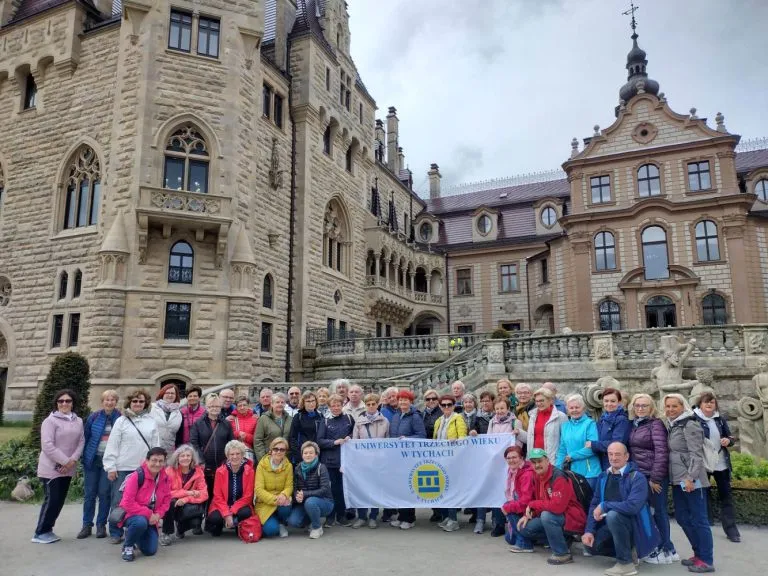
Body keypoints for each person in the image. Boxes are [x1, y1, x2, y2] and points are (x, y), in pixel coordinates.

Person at [581, 442, 660, 576]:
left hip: (634, 526)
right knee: (591, 547)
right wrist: (589, 531)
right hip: (611, 525)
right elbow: (595, 504)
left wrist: (605, 505)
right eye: (610, 454)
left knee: (613, 515)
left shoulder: (637, 478)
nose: (613, 458)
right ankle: (629, 552)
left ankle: (626, 563)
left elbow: (632, 507)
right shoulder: (603, 476)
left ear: (626, 456)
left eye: (617, 454)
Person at [665, 393, 715, 573]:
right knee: (683, 518)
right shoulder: (673, 424)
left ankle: (707, 560)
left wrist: (690, 478)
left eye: (674, 406)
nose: (670, 409)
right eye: (668, 406)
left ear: (682, 406)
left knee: (699, 520)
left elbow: (696, 454)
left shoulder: (690, 424)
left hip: (691, 480)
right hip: (678, 480)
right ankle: (698, 554)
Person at [103, 388, 160, 544]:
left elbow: (156, 445)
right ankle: (116, 531)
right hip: (123, 467)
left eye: (141, 401)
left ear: (145, 404)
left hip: (144, 469)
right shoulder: (121, 421)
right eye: (135, 401)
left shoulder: (151, 421)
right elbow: (113, 444)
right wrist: (111, 466)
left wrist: (157, 465)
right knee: (119, 500)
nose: (138, 404)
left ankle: (135, 530)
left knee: (142, 501)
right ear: (130, 403)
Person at [628, 393, 678, 564]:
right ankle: (659, 547)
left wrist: (655, 479)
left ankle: (666, 548)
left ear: (651, 408)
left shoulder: (655, 424)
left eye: (644, 406)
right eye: (637, 405)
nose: (640, 408)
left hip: (653, 476)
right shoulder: (635, 424)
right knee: (647, 512)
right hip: (641, 475)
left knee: (659, 512)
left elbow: (662, 452)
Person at [515, 448, 587, 565]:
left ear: (547, 461)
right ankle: (564, 539)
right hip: (558, 517)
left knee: (547, 516)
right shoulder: (536, 476)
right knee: (525, 527)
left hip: (573, 517)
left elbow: (557, 507)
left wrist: (533, 505)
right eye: (534, 462)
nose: (537, 465)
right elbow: (539, 501)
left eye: (540, 461)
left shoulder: (558, 477)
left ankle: (562, 554)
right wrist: (528, 515)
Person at [32, 389, 85, 544]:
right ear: (56, 403)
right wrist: (64, 462)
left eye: (68, 401)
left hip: (68, 468)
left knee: (59, 501)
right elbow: (47, 445)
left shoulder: (78, 421)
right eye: (61, 401)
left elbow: (81, 442)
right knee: (52, 500)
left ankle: (48, 530)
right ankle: (40, 532)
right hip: (51, 468)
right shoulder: (50, 421)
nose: (64, 404)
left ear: (72, 403)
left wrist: (72, 461)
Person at [695, 392, 740, 544]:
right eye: (706, 402)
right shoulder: (694, 419)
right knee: (703, 496)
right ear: (700, 404)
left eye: (712, 402)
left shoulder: (719, 419)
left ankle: (731, 530)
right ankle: (705, 527)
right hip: (703, 464)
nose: (709, 404)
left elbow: (731, 437)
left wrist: (729, 440)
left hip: (721, 463)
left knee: (726, 496)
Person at [79, 389, 120, 540]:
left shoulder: (120, 418)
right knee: (89, 494)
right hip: (93, 460)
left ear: (116, 402)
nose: (109, 402)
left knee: (104, 494)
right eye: (106, 400)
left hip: (108, 463)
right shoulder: (94, 417)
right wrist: (84, 457)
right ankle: (86, 525)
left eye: (112, 400)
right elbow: (85, 437)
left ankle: (101, 525)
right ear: (102, 402)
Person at [118, 447, 171, 562]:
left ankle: (135, 534)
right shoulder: (136, 476)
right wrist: (149, 514)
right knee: (140, 522)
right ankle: (128, 546)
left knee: (150, 551)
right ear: (147, 461)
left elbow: (167, 500)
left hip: (152, 517)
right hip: (133, 515)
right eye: (154, 460)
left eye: (161, 461)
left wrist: (157, 515)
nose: (157, 464)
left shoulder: (165, 478)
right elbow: (127, 503)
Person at [389, 389, 427, 530]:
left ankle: (409, 518)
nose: (403, 402)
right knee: (399, 488)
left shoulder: (415, 416)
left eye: (406, 400)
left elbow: (422, 435)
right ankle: (401, 516)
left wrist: (408, 439)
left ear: (411, 402)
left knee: (408, 488)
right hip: (396, 457)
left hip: (409, 457)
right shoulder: (396, 416)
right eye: (400, 400)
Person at [351, 393, 389, 528]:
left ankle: (373, 516)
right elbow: (355, 442)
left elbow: (388, 441)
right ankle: (361, 516)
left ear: (378, 404)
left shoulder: (384, 421)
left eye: (373, 404)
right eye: (368, 404)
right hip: (363, 461)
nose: (371, 406)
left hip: (378, 461)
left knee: (375, 489)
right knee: (362, 488)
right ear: (365, 406)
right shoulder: (359, 421)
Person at [317, 393, 355, 526]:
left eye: (338, 405)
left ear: (342, 405)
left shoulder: (349, 418)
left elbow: (354, 433)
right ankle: (330, 516)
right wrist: (334, 442)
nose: (336, 408)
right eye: (333, 405)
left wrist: (350, 437)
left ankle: (342, 515)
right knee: (331, 489)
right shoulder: (325, 421)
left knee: (342, 489)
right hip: (329, 461)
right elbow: (320, 441)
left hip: (346, 460)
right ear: (329, 407)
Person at [190, 394, 234, 507]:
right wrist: (201, 461)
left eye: (217, 406)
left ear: (220, 407)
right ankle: (205, 515)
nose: (214, 408)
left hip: (222, 464)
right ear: (207, 407)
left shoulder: (226, 424)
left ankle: (218, 514)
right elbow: (194, 444)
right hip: (205, 464)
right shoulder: (198, 424)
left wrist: (228, 459)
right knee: (206, 491)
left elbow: (231, 443)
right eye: (211, 406)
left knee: (220, 492)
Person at [433, 394, 468, 532]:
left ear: (454, 406)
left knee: (451, 490)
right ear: (440, 407)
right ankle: (446, 516)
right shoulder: (438, 421)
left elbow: (463, 439)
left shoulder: (458, 418)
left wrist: (456, 443)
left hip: (453, 460)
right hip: (440, 459)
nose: (446, 407)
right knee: (442, 489)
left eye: (449, 404)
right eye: (443, 405)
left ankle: (453, 519)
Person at [205, 440, 254, 537]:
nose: (235, 457)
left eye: (237, 453)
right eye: (232, 454)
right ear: (227, 456)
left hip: (241, 506)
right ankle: (223, 523)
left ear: (242, 455)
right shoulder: (220, 471)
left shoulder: (250, 471)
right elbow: (217, 496)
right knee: (214, 519)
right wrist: (226, 513)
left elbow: (248, 496)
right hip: (222, 505)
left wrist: (232, 511)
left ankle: (236, 524)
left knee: (246, 512)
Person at [161, 444, 208, 544]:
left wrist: (186, 499)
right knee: (170, 502)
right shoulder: (169, 471)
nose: (185, 458)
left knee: (195, 522)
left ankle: (181, 529)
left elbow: (204, 494)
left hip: (188, 503)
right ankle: (166, 533)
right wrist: (188, 492)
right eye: (182, 456)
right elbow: (165, 493)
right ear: (177, 458)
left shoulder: (198, 471)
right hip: (174, 503)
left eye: (188, 455)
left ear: (192, 458)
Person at [287, 441, 335, 539]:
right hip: (305, 501)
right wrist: (297, 497)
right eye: (305, 453)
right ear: (302, 455)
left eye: (311, 453)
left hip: (325, 502)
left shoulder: (321, 467)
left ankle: (317, 527)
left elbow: (325, 489)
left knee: (310, 502)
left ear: (316, 454)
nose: (308, 455)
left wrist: (305, 494)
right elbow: (295, 488)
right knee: (293, 521)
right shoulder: (297, 468)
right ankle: (312, 520)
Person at [556, 394, 601, 489]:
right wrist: (557, 469)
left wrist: (572, 456)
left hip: (589, 472)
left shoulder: (590, 424)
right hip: (571, 472)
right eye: (571, 408)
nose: (574, 410)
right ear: (567, 410)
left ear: (583, 408)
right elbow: (562, 449)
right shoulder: (565, 426)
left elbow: (592, 448)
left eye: (577, 407)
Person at [255, 437, 294, 538]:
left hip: (281, 501)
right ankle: (270, 523)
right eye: (276, 449)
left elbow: (289, 486)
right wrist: (275, 499)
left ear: (285, 452)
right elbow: (258, 490)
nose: (278, 452)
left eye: (282, 449)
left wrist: (284, 495)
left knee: (286, 506)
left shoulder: (288, 466)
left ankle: (281, 523)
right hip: (265, 503)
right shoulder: (261, 465)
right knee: (271, 531)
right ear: (271, 450)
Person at [501, 445, 536, 551]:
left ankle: (525, 544)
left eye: (514, 457)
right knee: (509, 539)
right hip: (524, 508)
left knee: (508, 506)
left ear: (521, 458)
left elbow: (526, 501)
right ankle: (528, 537)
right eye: (508, 458)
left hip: (532, 511)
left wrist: (508, 508)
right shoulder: (512, 471)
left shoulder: (526, 474)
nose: (511, 460)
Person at [590, 388, 631, 471]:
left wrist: (593, 445)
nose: (609, 404)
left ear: (619, 402)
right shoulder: (602, 418)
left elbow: (617, 444)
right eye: (606, 401)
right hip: (603, 461)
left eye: (613, 401)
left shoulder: (621, 420)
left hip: (615, 463)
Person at [525, 387, 567, 462]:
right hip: (534, 459)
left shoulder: (561, 416)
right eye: (536, 401)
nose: (538, 403)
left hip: (552, 460)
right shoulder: (532, 416)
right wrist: (518, 433)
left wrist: (559, 460)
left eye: (541, 400)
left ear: (550, 400)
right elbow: (530, 437)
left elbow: (565, 440)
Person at [420, 388, 442, 523]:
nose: (431, 401)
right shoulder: (422, 414)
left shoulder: (441, 413)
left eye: (434, 398)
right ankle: (435, 510)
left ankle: (441, 511)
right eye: (428, 399)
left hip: (439, 450)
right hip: (425, 451)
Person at [253, 392, 293, 462]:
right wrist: (263, 459)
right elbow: (258, 440)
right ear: (272, 404)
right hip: (268, 458)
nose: (280, 404)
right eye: (277, 402)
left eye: (282, 402)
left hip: (286, 458)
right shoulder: (263, 419)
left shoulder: (290, 419)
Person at [289, 391, 324, 465]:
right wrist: (299, 455)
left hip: (317, 454)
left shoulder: (320, 416)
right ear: (303, 403)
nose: (311, 403)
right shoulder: (298, 417)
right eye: (308, 401)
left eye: (313, 401)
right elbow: (292, 438)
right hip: (302, 455)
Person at [150, 383, 182, 454]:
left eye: (172, 393)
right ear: (162, 394)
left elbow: (178, 434)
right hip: (152, 448)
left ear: (176, 396)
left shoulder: (178, 413)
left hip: (169, 452)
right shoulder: (152, 408)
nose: (170, 395)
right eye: (167, 393)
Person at [228, 395, 258, 460]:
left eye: (244, 405)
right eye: (239, 406)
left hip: (248, 451)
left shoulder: (255, 419)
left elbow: (257, 438)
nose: (242, 407)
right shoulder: (231, 419)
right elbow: (227, 436)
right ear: (236, 407)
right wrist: (237, 433)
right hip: (234, 451)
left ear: (248, 406)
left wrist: (246, 436)